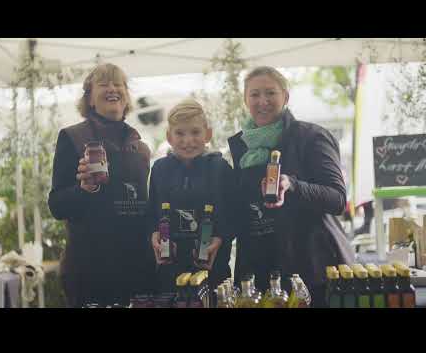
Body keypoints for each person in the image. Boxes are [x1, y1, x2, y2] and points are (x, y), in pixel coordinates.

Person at [228, 66, 355, 307]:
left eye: (270, 93)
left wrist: (292, 184)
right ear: (245, 100)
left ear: (285, 97)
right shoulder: (241, 146)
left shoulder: (310, 136)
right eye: (254, 94)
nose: (262, 101)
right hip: (261, 267)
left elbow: (337, 198)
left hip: (309, 266)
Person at [48, 63, 155, 307]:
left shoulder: (141, 148)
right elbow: (56, 205)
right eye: (104, 83)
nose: (113, 88)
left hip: (137, 270)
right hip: (92, 271)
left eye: (118, 84)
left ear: (126, 97)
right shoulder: (73, 138)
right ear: (90, 99)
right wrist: (84, 190)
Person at [147, 99, 235, 293]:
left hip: (213, 268)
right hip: (170, 270)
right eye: (180, 133)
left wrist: (220, 239)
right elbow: (152, 215)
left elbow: (234, 215)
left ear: (208, 134)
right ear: (169, 137)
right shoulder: (159, 169)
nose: (188, 140)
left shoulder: (221, 168)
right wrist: (154, 234)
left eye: (195, 132)